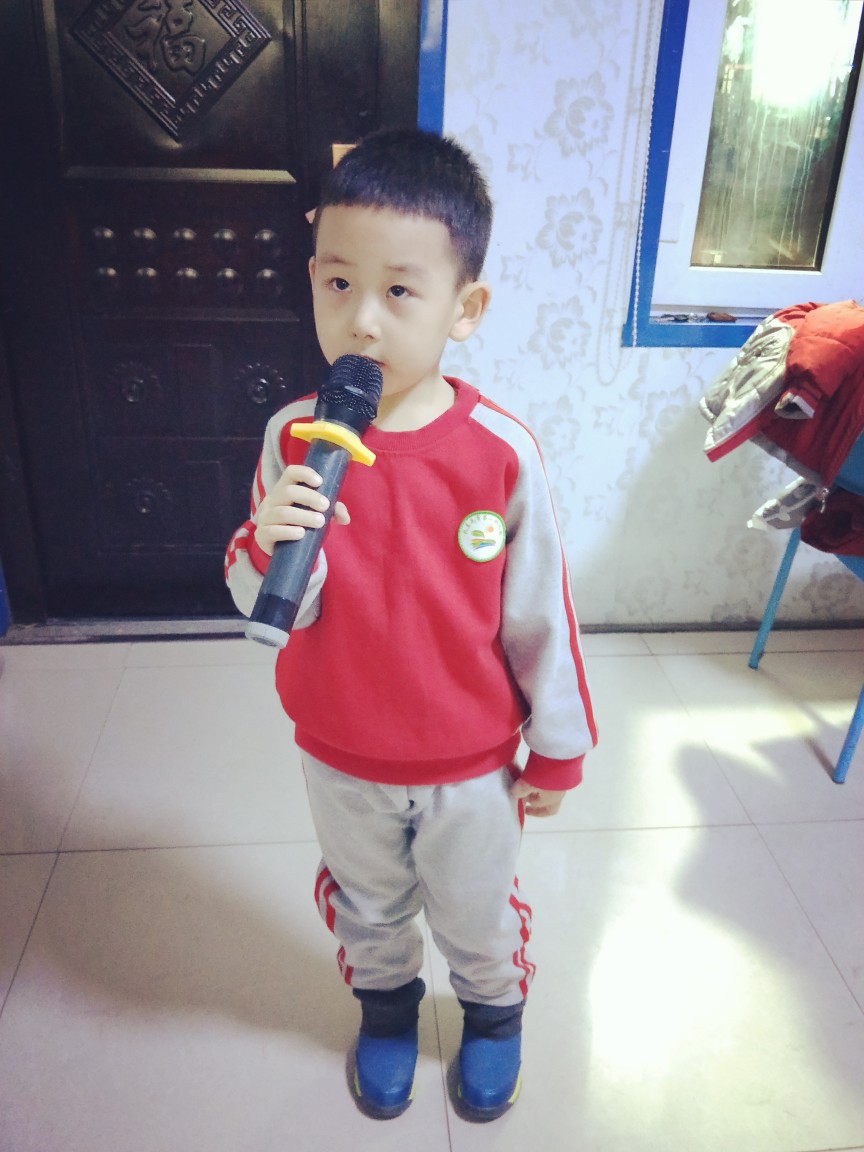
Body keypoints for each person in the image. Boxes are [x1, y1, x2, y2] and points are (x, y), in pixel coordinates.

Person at [225, 128, 597, 1121]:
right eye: (339, 283)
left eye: (399, 291)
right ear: (313, 280)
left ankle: (494, 1014)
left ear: (463, 308)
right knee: (368, 904)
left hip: (471, 762)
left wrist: (558, 748)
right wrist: (271, 543)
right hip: (340, 749)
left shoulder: (500, 452)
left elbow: (543, 614)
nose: (362, 320)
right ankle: (386, 1009)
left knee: (475, 910)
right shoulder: (292, 436)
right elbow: (263, 601)